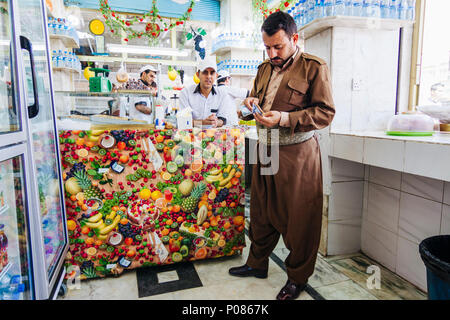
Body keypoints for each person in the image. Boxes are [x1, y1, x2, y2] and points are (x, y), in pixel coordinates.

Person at [228, 11, 335, 300]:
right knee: (261, 211)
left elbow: (325, 113)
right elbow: (251, 106)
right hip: (265, 149)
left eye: (278, 46)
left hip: (297, 154)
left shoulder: (314, 67)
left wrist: (285, 119)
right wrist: (248, 105)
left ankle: (297, 279)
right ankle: (257, 264)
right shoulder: (264, 68)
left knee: (300, 218)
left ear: (294, 39)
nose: (273, 53)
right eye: (267, 47)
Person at [179, 57, 238, 127]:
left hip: (214, 136)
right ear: (198, 75)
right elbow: (184, 122)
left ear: (216, 76)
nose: (209, 76)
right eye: (205, 72)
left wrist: (216, 122)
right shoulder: (186, 93)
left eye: (212, 73)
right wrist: (203, 122)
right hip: (191, 136)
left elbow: (223, 120)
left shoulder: (222, 94)